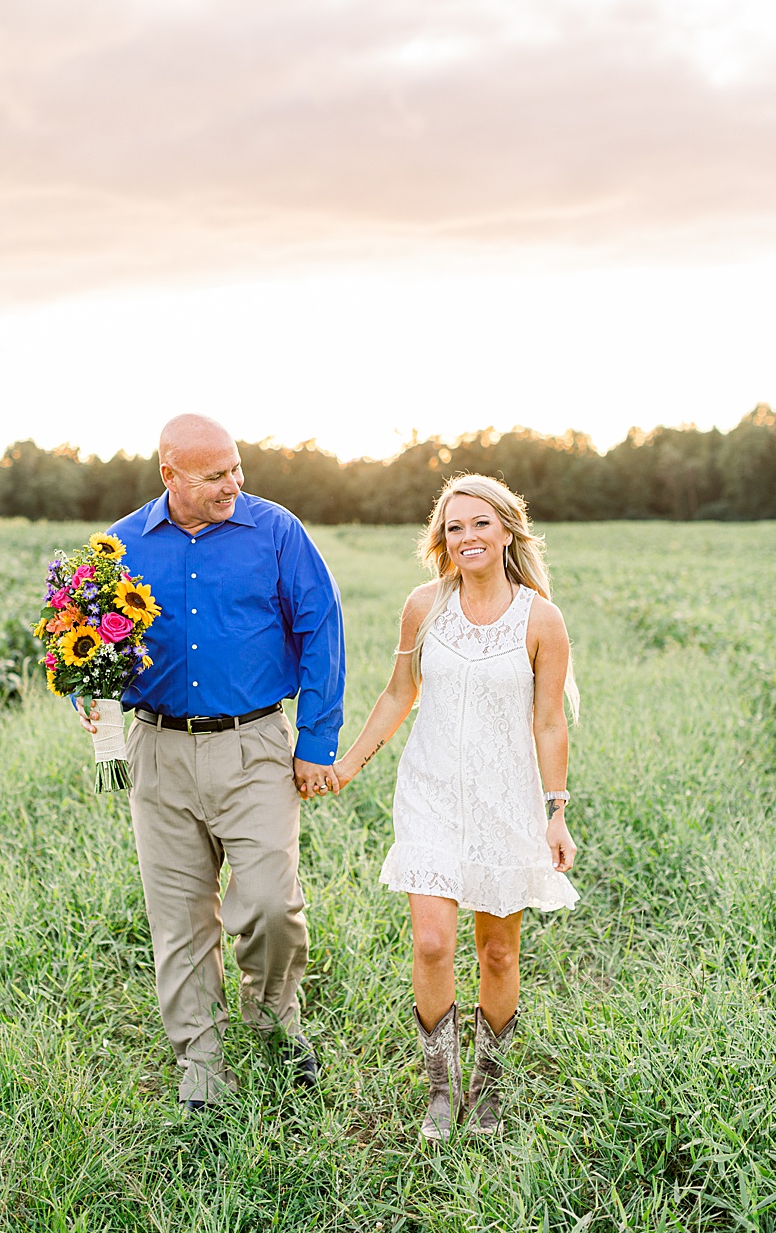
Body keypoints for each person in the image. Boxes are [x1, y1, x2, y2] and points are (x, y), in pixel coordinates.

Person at [76, 413, 345, 1109]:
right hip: (157, 747)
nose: (234, 483)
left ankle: (273, 1019)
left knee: (270, 905)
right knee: (179, 916)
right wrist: (89, 692)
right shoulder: (119, 547)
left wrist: (315, 743)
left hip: (254, 745)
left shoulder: (277, 532)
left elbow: (321, 629)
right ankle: (201, 1059)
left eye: (236, 468)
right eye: (215, 474)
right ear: (170, 474)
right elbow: (81, 639)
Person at [332, 473, 579, 1141]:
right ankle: (441, 1091)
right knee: (433, 941)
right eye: (453, 526)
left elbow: (550, 722)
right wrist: (350, 763)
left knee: (498, 954)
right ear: (441, 539)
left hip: (509, 800)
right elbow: (396, 695)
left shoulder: (541, 619)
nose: (466, 537)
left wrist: (556, 812)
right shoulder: (423, 607)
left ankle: (488, 1087)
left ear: (506, 531)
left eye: (479, 524)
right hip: (431, 792)